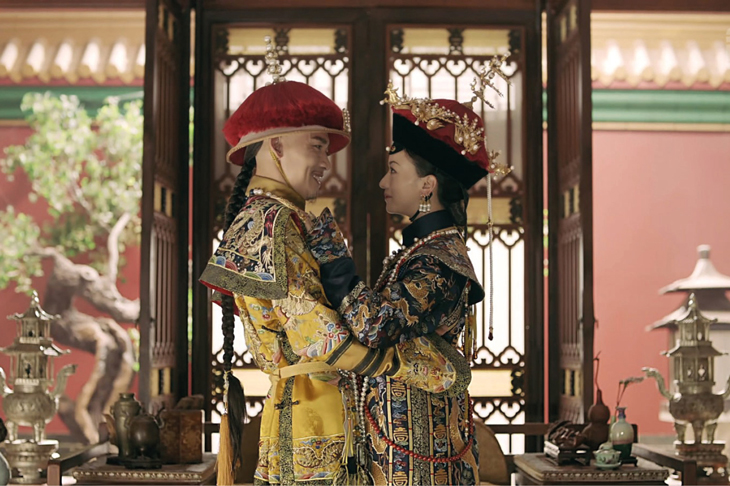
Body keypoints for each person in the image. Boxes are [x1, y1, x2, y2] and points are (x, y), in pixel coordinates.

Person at [199, 38, 471, 486]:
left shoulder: (269, 220)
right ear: (277, 145)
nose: (327, 162)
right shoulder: (276, 223)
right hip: (315, 415)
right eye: (318, 146)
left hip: (309, 405)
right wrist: (414, 364)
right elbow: (319, 337)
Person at [306, 76, 511, 485]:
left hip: (420, 459)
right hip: (400, 447)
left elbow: (375, 324)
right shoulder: (422, 253)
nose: (383, 182)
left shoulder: (439, 262)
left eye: (393, 170)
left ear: (427, 186)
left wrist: (331, 253)